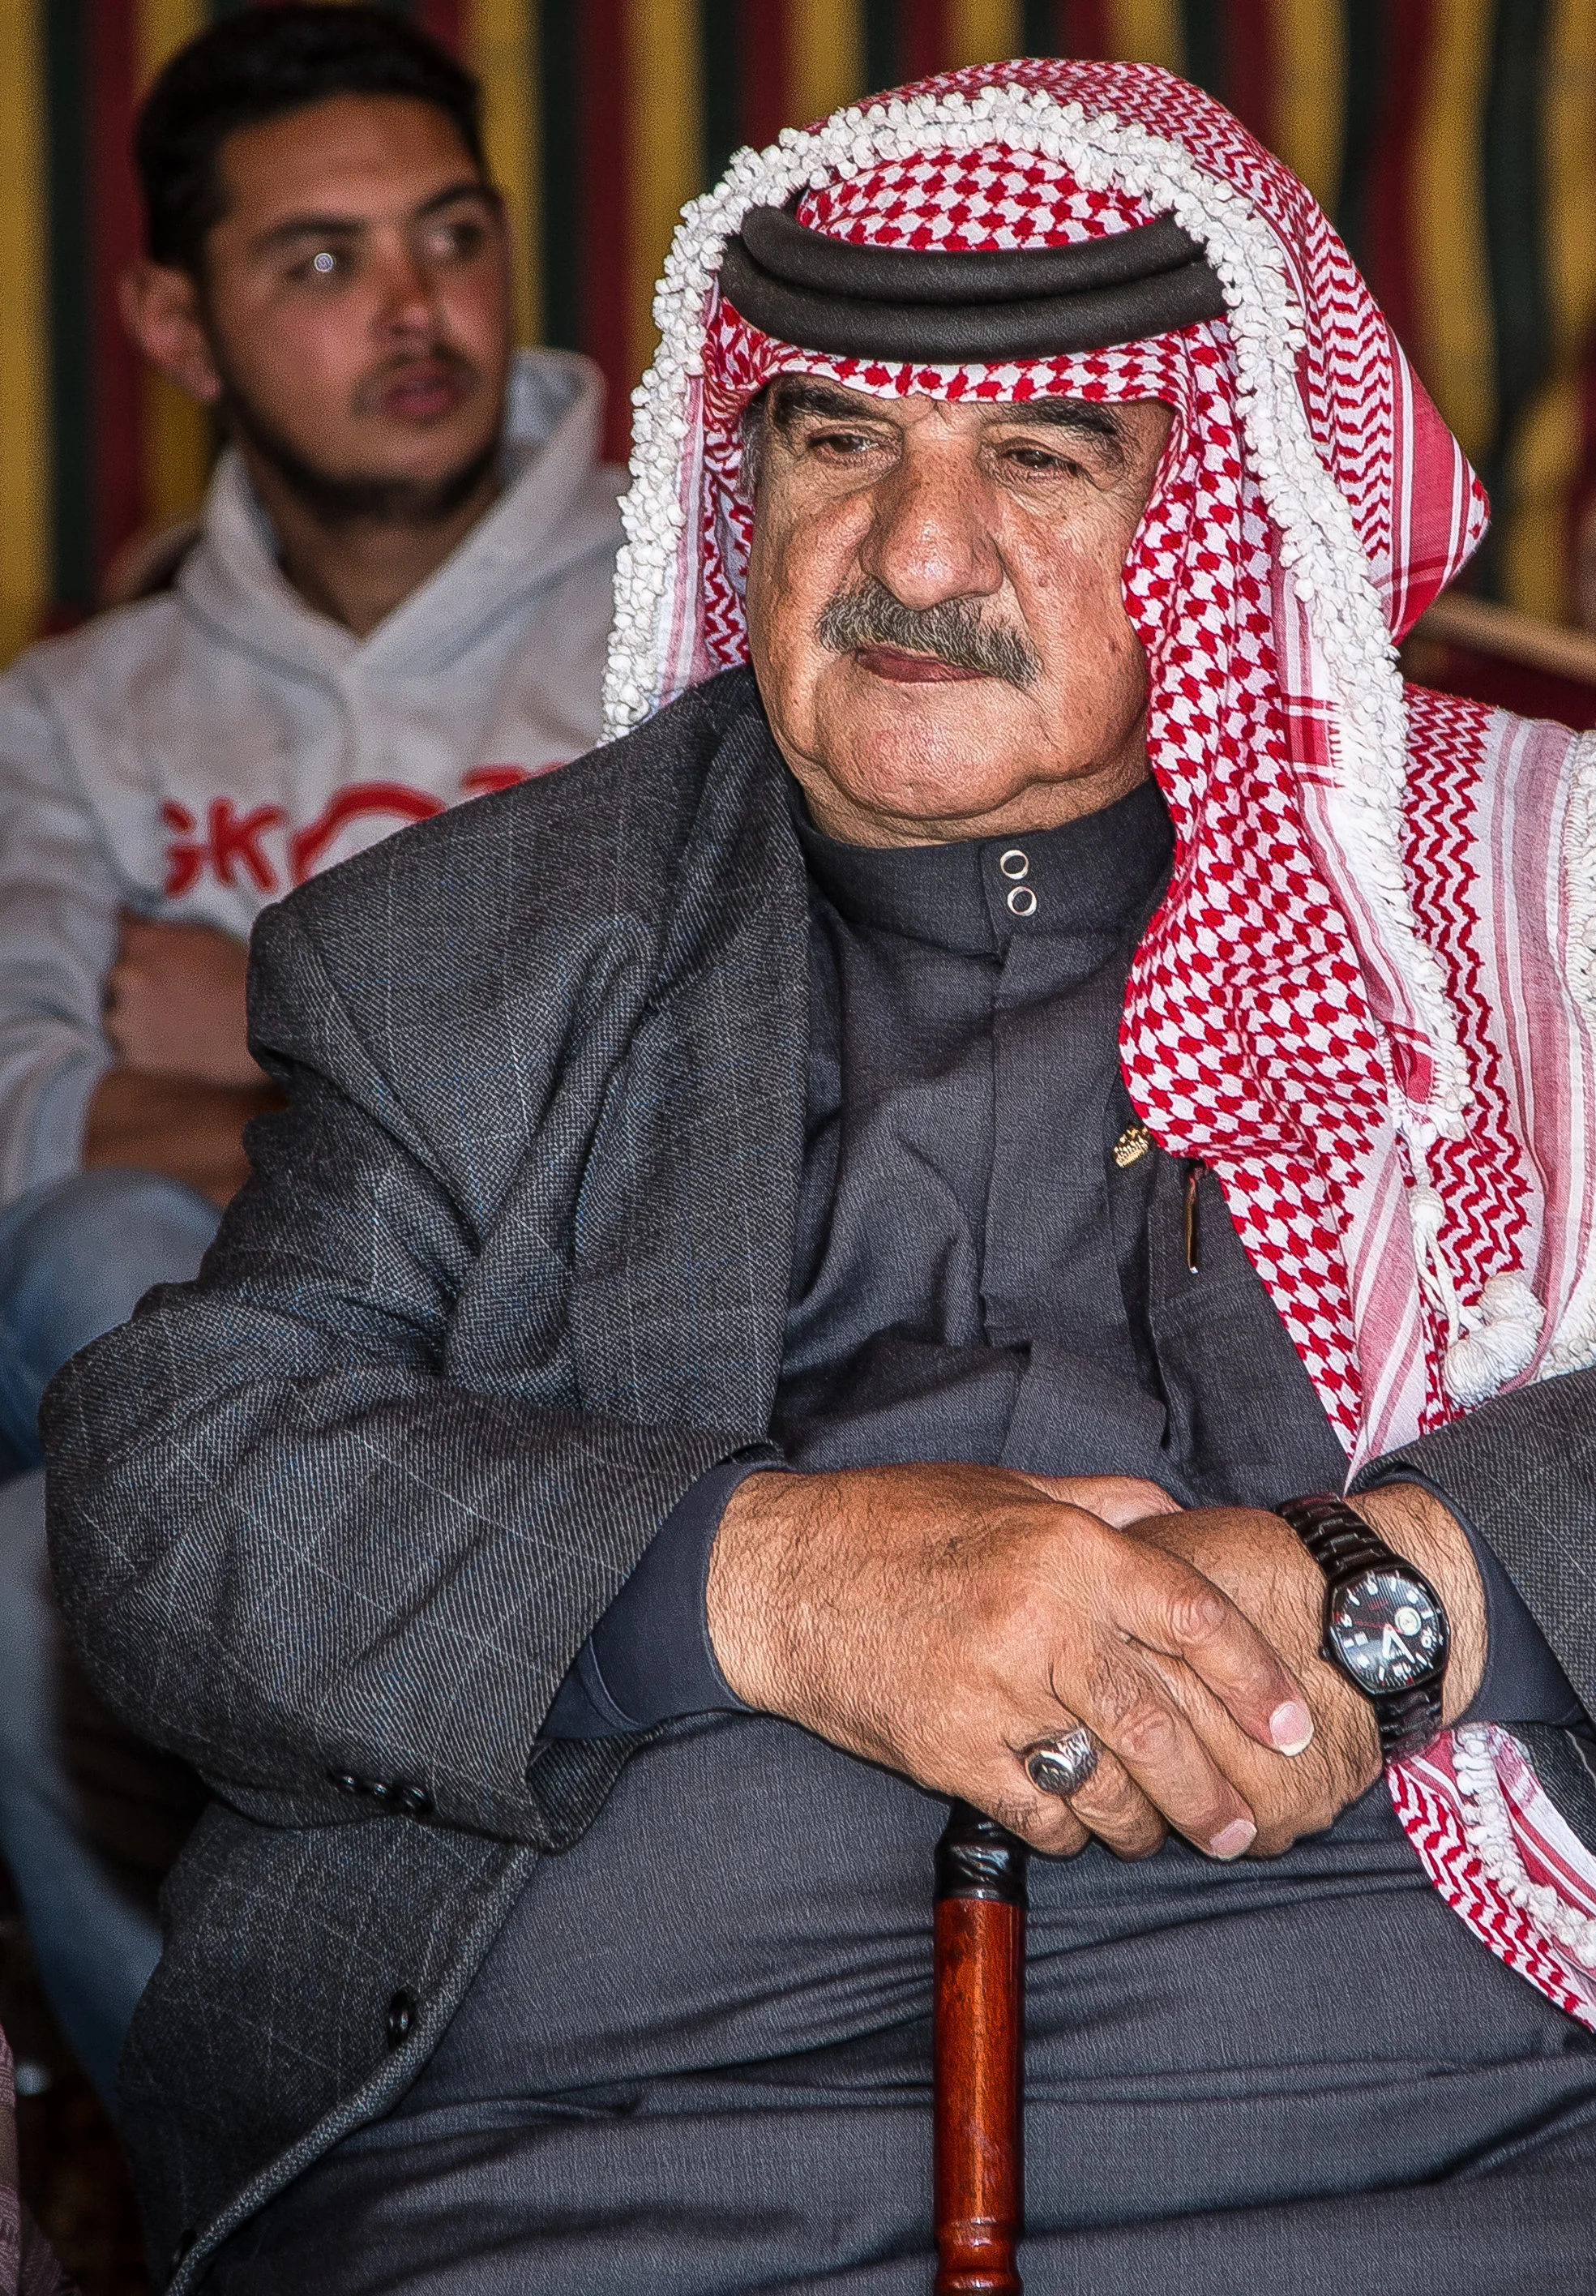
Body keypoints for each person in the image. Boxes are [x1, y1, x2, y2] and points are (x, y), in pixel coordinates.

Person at [44, 59, 1596, 2296]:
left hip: (1506, 2113)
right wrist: (773, 1590)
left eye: (1044, 456)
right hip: (632, 2148)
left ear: (1228, 509)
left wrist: (1381, 1607)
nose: (910, 555)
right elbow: (190, 1484)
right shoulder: (474, 956)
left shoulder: (1559, 898)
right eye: (837, 443)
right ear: (739, 485)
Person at [0, 4, 622, 2105]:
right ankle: (261, 2175)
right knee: (41, 1492)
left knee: (112, 1265)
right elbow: (14, 1126)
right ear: (173, 324)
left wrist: (245, 1016)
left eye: (452, 237)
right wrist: (430, 1076)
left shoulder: (695, 619)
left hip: (592, 1375)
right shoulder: (77, 717)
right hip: (196, 1402)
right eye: (322, 261)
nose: (416, 311)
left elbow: (712, 1089)